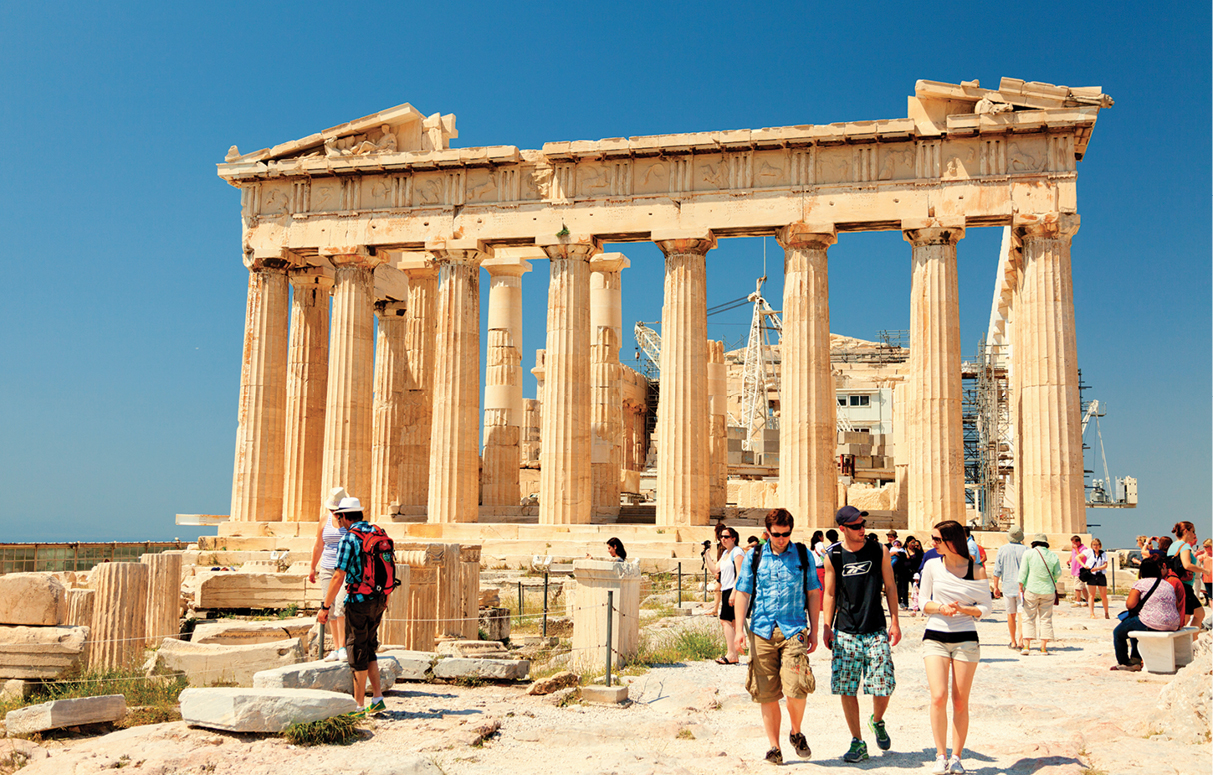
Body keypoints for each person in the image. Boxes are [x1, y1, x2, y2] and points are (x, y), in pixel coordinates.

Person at [732, 508, 822, 765]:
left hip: (794, 628)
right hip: (761, 629)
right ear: (767, 532)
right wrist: (739, 630)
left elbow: (813, 593)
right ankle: (774, 747)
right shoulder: (754, 556)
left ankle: (796, 731)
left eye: (785, 534)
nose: (781, 539)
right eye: (776, 534)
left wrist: (815, 629)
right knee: (767, 692)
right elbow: (743, 592)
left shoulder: (803, 555)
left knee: (797, 686)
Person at [822, 506, 902, 764]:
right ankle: (857, 741)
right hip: (846, 629)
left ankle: (877, 720)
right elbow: (831, 593)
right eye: (856, 526)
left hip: (876, 627)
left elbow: (890, 586)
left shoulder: (879, 550)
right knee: (847, 687)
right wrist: (826, 625)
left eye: (863, 524)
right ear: (843, 529)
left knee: (884, 683)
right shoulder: (833, 555)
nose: (862, 529)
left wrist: (896, 622)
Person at [920, 520, 993, 774]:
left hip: (966, 638)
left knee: (960, 701)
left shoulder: (976, 569)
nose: (933, 543)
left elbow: (986, 607)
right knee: (938, 696)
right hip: (935, 635)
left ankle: (956, 757)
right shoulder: (931, 565)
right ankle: (940, 755)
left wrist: (963, 609)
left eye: (937, 540)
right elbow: (922, 602)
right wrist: (941, 608)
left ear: (952, 541)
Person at [317, 496, 388, 714]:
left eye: (338, 516)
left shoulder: (350, 539)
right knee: (369, 648)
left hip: (359, 600)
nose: (336, 519)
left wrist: (325, 606)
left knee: (356, 652)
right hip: (379, 599)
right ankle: (377, 698)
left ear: (345, 516)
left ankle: (357, 706)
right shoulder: (378, 532)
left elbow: (339, 576)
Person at [1110, 556, 1182, 671]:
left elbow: (1130, 605)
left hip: (1152, 623)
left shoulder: (1141, 583)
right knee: (1134, 624)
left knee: (1118, 632)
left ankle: (1126, 662)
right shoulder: (1167, 584)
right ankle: (1136, 657)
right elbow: (1177, 605)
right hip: (1173, 623)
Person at [309, 487, 349, 662]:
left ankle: (343, 647)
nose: (333, 512)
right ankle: (336, 647)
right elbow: (319, 545)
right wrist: (312, 567)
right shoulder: (324, 520)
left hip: (344, 569)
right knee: (330, 608)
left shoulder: (349, 521)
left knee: (341, 606)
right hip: (326, 568)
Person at [1018, 534, 1062, 656]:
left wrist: (1020, 587)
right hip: (1048, 590)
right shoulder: (1053, 555)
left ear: (1034, 543)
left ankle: (1026, 646)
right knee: (1046, 618)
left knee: (1028, 617)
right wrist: (1051, 579)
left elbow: (1023, 572)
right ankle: (1043, 648)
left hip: (1031, 589)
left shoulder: (1028, 553)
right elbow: (1058, 573)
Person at [709, 527, 745, 664]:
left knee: (725, 621)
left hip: (733, 589)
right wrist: (706, 554)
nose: (722, 539)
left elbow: (740, 573)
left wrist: (735, 592)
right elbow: (714, 569)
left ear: (733, 538)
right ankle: (734, 653)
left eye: (726, 536)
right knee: (733, 622)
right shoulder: (725, 553)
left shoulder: (737, 552)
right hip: (726, 589)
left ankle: (731, 654)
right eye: (721, 537)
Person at [990, 526, 1027, 648]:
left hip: (1007, 586)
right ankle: (1021, 641)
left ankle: (1013, 641)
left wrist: (996, 587)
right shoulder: (1027, 550)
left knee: (1011, 614)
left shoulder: (1002, 549)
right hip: (1022, 587)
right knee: (1022, 615)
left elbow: (997, 570)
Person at [1169, 521, 1205, 632]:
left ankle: (1192, 643)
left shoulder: (1173, 546)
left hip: (1177, 583)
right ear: (1186, 531)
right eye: (1193, 531)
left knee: (1199, 614)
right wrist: (1205, 570)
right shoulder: (1184, 546)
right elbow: (1187, 565)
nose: (1194, 535)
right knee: (1184, 619)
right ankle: (1185, 645)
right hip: (1184, 586)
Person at [1084, 538, 1110, 619]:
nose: (1095, 546)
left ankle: (1106, 612)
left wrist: (1097, 568)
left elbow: (1105, 565)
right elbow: (1078, 557)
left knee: (1104, 595)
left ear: (1100, 545)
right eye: (1094, 545)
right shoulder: (1089, 552)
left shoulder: (1103, 554)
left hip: (1100, 574)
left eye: (1097, 545)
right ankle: (1091, 613)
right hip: (1091, 575)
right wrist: (1084, 566)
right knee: (1091, 595)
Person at [1067, 536, 1090, 606]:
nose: (1073, 544)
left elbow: (1081, 557)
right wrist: (1069, 560)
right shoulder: (1073, 548)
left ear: (1078, 542)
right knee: (1082, 587)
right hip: (1075, 569)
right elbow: (1072, 555)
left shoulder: (1084, 549)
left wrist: (1076, 549)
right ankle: (1088, 601)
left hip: (1080, 570)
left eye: (1074, 543)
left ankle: (1078, 602)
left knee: (1077, 587)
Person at [1201, 539, 1212, 605]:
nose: (1204, 548)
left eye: (1205, 546)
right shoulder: (1204, 555)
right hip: (1207, 579)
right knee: (1210, 596)